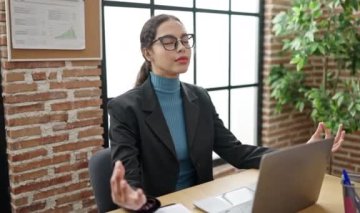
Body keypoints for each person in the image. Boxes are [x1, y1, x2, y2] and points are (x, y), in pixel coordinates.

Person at [108, 14, 345, 211]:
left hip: (200, 204)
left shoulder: (199, 97)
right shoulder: (125, 108)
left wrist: (301, 154)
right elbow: (130, 178)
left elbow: (236, 152)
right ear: (148, 53)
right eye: (169, 42)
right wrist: (132, 199)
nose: (181, 47)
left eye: (185, 40)